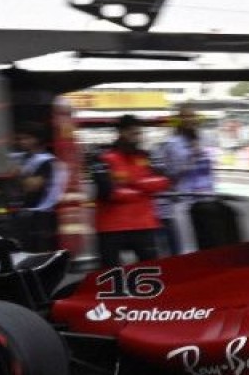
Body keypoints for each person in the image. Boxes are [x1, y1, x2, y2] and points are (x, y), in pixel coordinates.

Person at [91, 114, 170, 267]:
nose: (137, 137)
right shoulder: (102, 158)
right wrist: (144, 188)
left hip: (144, 225)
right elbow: (108, 192)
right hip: (111, 227)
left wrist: (133, 183)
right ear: (121, 132)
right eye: (133, 133)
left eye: (138, 133)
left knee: (150, 273)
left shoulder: (147, 156)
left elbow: (164, 181)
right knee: (110, 277)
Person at [156, 105, 217, 254]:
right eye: (185, 116)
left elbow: (210, 168)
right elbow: (172, 173)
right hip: (185, 201)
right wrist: (192, 155)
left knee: (210, 243)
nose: (190, 120)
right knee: (188, 248)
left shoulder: (205, 139)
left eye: (192, 116)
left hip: (207, 199)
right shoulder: (172, 144)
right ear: (179, 120)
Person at [8, 122, 68, 251]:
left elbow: (32, 186)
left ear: (37, 140)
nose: (21, 142)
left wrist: (18, 173)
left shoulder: (46, 160)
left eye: (26, 138)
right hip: (22, 214)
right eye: (19, 139)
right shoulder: (21, 158)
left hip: (40, 217)